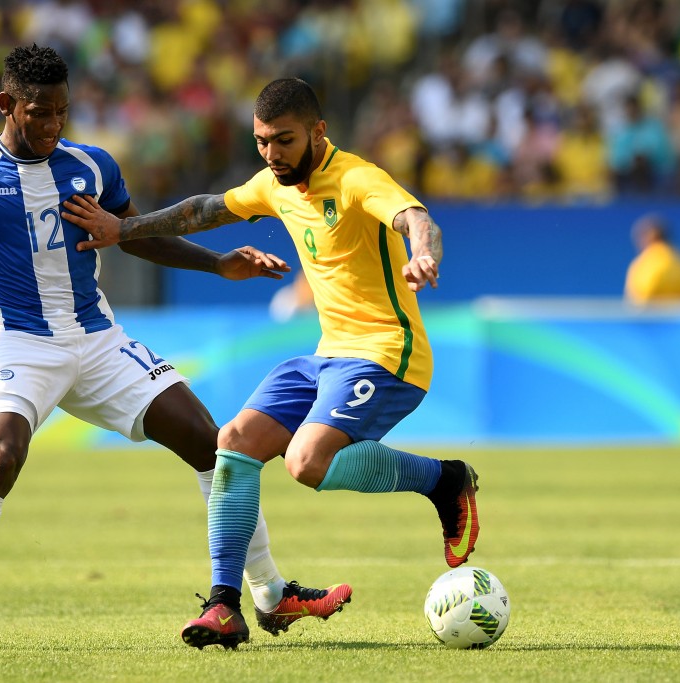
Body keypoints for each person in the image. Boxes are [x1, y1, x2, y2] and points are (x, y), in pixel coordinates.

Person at [0, 46, 352, 653]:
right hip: (19, 342)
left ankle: (270, 593)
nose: (53, 125)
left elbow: (135, 238)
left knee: (212, 443)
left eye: (62, 111)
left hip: (98, 339)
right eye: (39, 113)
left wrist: (218, 264)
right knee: (2, 455)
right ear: (8, 105)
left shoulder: (92, 166)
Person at [62, 77, 480, 650]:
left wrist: (423, 253)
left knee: (305, 463)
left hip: (388, 353)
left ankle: (444, 480)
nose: (271, 154)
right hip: (326, 356)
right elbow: (204, 210)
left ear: (317, 131)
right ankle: (224, 606)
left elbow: (414, 217)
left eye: (283, 141)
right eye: (261, 142)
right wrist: (124, 228)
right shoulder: (275, 184)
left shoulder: (358, 178)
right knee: (231, 440)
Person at [624, 213, 680, 305]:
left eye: (640, 237)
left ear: (650, 236)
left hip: (652, 318)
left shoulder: (644, 264)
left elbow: (638, 300)